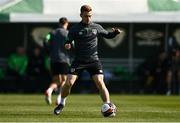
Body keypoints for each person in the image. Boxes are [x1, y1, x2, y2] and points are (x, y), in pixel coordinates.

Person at [54, 5, 122, 115]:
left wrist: (115, 33)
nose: (88, 18)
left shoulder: (96, 27)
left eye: (90, 16)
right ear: (81, 15)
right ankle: (61, 103)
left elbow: (108, 35)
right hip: (79, 61)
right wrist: (67, 45)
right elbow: (67, 41)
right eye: (86, 16)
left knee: (100, 82)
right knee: (68, 83)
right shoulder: (74, 29)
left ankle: (108, 106)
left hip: (94, 60)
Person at [44, 17, 70, 105]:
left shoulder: (52, 32)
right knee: (64, 81)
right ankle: (59, 98)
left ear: (59, 24)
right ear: (66, 24)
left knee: (56, 80)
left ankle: (49, 90)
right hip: (64, 59)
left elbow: (45, 40)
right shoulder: (67, 33)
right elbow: (73, 44)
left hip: (53, 59)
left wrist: (48, 51)